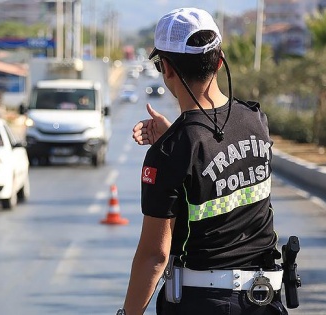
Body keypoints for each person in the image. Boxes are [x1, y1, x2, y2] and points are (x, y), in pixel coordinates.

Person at [118, 8, 289, 315]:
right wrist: (175, 137)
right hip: (265, 302)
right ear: (220, 60)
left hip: (202, 303)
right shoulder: (256, 121)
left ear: (167, 68)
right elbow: (222, 158)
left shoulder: (172, 152)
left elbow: (154, 257)